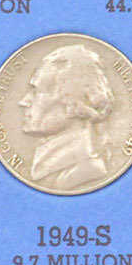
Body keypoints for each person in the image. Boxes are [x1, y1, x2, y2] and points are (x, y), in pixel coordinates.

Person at [19, 42, 116, 190]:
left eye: (37, 92)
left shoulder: (84, 172)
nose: (24, 101)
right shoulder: (49, 167)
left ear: (73, 103)